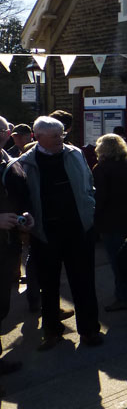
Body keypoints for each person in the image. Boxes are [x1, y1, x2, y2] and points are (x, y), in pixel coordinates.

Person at [15, 115, 103, 350]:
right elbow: (21, 198)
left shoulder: (74, 154)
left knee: (84, 282)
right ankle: (52, 332)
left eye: (62, 134)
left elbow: (88, 184)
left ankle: (89, 330)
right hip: (45, 234)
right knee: (49, 285)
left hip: (79, 230)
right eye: (55, 136)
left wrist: (89, 208)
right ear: (38, 137)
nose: (60, 139)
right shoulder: (25, 163)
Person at [0, 115, 33, 388]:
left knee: (2, 305)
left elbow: (21, 197)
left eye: (1, 130)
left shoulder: (10, 162)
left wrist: (26, 217)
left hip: (8, 247)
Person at [93, 133, 127, 313]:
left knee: (116, 261)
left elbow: (99, 198)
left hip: (111, 222)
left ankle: (123, 297)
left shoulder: (101, 169)